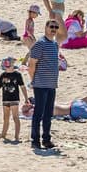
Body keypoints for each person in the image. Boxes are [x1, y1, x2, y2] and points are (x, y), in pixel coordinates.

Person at [28, 18, 63, 151]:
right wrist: (33, 80)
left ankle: (46, 139)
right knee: (38, 113)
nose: (53, 29)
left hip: (51, 85)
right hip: (40, 84)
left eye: (55, 27)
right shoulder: (40, 44)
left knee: (48, 113)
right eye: (51, 27)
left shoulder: (54, 44)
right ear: (45, 28)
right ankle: (35, 140)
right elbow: (32, 64)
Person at [0, 57, 28, 142]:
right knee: (5, 118)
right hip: (5, 99)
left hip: (14, 99)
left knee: (15, 117)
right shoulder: (3, 75)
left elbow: (22, 87)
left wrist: (26, 98)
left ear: (12, 65)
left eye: (9, 64)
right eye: (6, 64)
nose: (7, 66)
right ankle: (3, 134)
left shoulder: (17, 75)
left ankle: (16, 137)